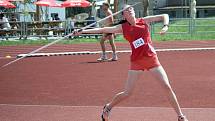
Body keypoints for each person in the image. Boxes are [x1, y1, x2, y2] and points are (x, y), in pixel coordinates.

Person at [74, 4, 188, 121]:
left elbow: (165, 15)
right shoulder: (122, 27)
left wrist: (165, 26)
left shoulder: (143, 21)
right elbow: (103, 29)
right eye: (127, 9)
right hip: (137, 62)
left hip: (152, 60)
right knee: (128, 93)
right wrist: (82, 31)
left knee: (167, 87)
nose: (130, 10)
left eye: (131, 8)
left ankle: (180, 116)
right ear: (124, 14)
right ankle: (108, 108)